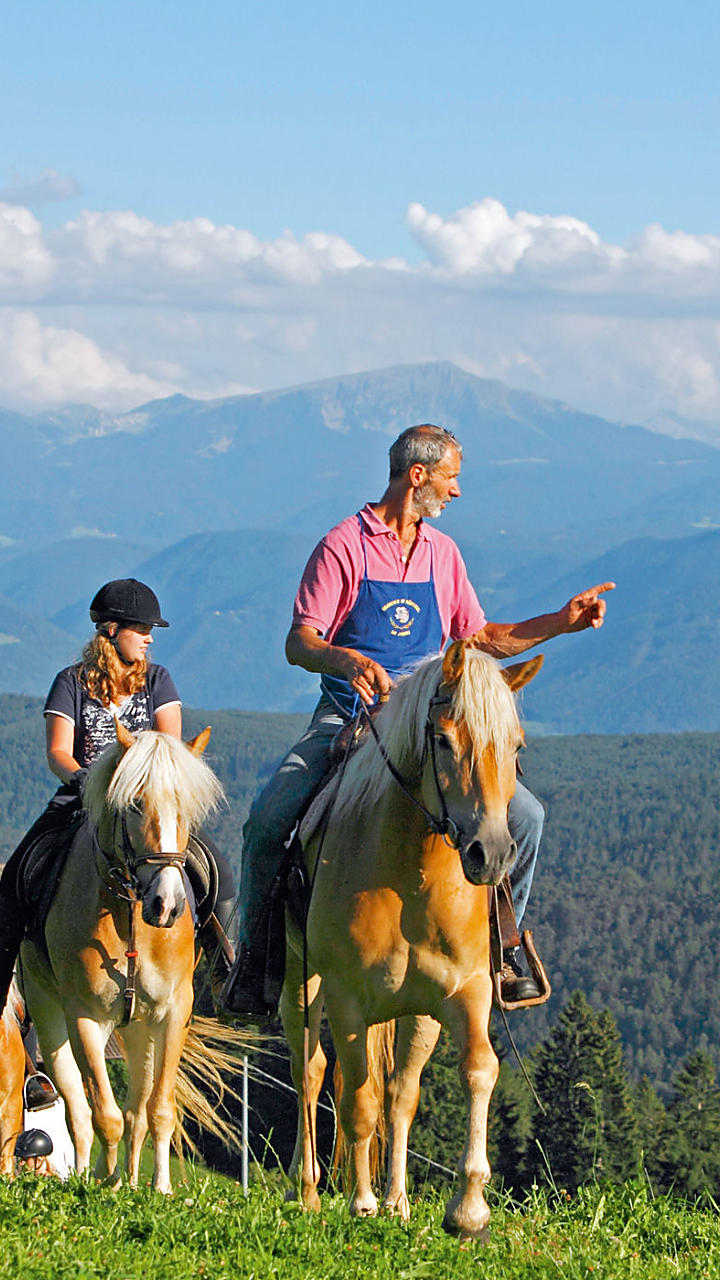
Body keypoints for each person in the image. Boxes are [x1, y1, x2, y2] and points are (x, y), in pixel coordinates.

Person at [222, 425, 613, 1019]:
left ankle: (500, 947)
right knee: (269, 817)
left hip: (431, 720)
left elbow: (478, 638)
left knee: (526, 816)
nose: (457, 492)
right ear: (418, 475)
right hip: (350, 713)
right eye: (452, 477)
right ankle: (258, 960)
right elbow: (299, 642)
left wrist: (561, 622)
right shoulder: (343, 545)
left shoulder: (442, 553)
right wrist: (346, 658)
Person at [0, 578, 236, 1017]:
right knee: (15, 877)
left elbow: (170, 750)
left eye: (151, 630)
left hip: (148, 804)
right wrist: (90, 785)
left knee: (215, 870)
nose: (149, 638)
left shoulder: (159, 681)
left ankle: (227, 967)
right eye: (140, 628)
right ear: (111, 630)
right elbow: (57, 753)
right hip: (82, 798)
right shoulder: (70, 683)